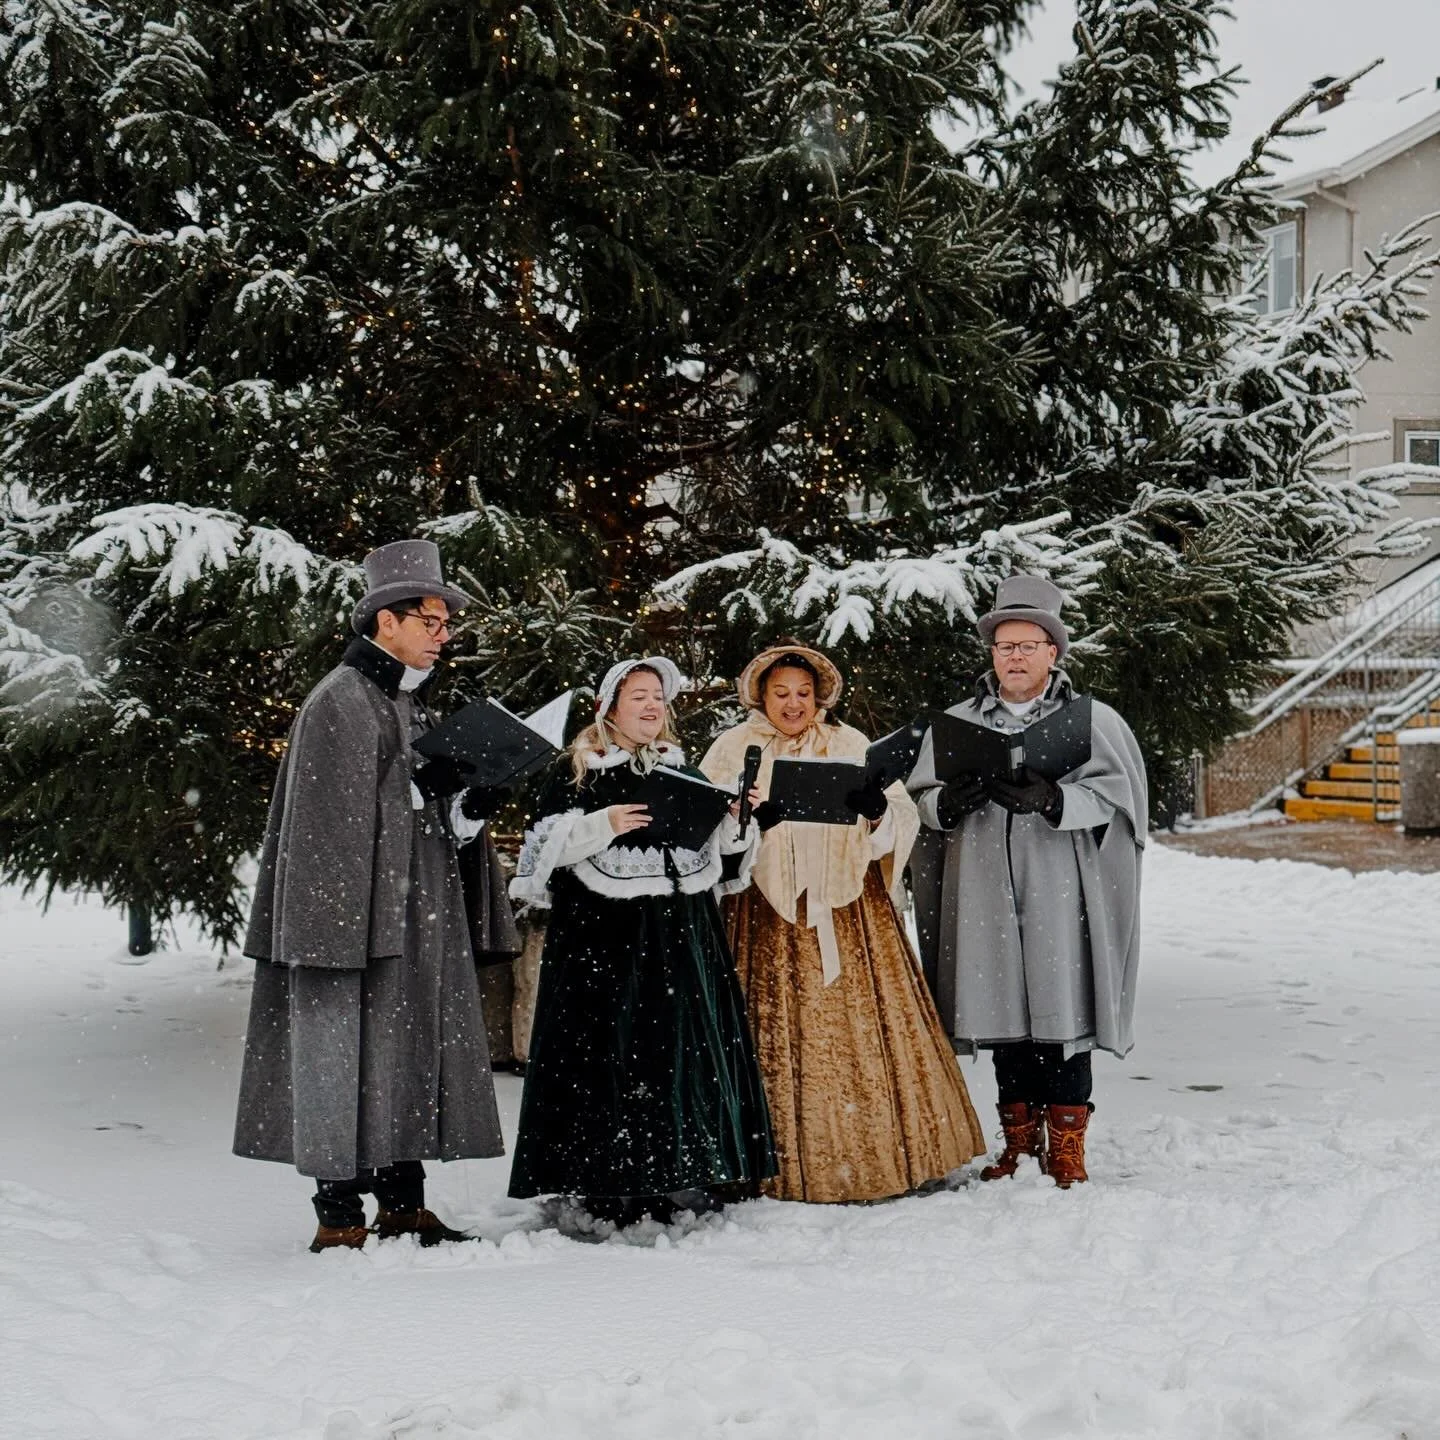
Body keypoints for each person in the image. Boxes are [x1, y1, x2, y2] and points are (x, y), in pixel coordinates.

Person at [233, 539, 510, 1250]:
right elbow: (328, 827)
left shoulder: (406, 704)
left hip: (413, 917)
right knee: (343, 1054)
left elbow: (424, 820)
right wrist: (421, 789)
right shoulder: (339, 701)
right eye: (432, 621)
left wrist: (470, 803)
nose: (443, 636)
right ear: (386, 620)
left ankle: (403, 1204)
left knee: (407, 1051)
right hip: (353, 927)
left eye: (447, 624)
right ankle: (340, 1217)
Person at [699, 642, 985, 1203]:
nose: (793, 703)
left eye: (803, 693)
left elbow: (900, 816)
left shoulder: (851, 743)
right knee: (764, 1032)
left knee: (864, 1032)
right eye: (781, 693)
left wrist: (874, 808)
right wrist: (744, 817)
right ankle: (761, 1157)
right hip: (762, 912)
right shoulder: (733, 748)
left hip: (848, 911)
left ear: (820, 695)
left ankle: (877, 1153)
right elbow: (706, 823)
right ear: (760, 695)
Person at [507, 657, 777, 1227]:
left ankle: (678, 1172)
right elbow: (541, 858)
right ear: (610, 707)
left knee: (674, 1052)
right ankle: (605, 1180)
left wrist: (735, 820)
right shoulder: (578, 770)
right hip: (603, 943)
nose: (652, 707)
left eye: (658, 697)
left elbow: (720, 861)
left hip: (680, 937)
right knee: (610, 1052)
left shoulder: (684, 771)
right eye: (638, 697)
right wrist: (602, 824)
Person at [907, 575, 1147, 1187]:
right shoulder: (955, 724)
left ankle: (1066, 1144)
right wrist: (945, 805)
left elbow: (1124, 804)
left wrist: (1058, 799)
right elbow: (914, 805)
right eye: (1003, 645)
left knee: (1065, 1012)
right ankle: (1016, 1140)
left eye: (1026, 645)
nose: (1013, 656)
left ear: (1053, 653)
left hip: (1062, 890)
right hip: (983, 887)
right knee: (1003, 1011)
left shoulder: (1095, 722)